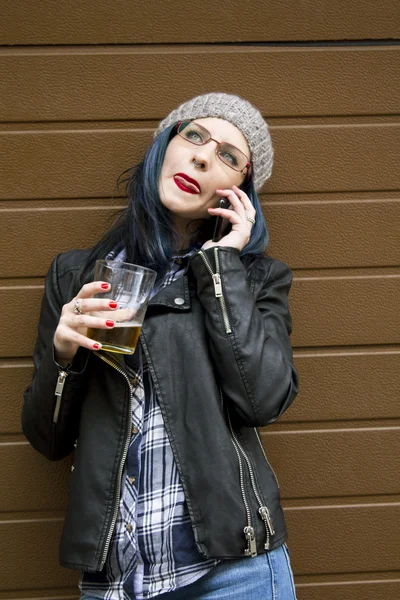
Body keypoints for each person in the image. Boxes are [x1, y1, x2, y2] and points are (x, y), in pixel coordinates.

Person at [22, 93, 299, 600]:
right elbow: (48, 440)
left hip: (234, 572)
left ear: (239, 191)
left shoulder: (256, 279)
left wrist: (221, 270)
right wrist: (64, 360)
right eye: (194, 136)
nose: (202, 157)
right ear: (165, 145)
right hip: (115, 580)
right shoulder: (74, 277)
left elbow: (263, 400)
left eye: (229, 157)